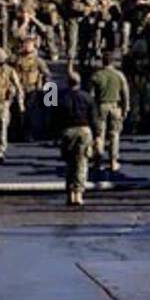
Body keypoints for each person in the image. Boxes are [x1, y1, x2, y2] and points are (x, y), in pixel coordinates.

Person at [56, 72, 96, 206]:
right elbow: (93, 118)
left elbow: (54, 116)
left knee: (69, 163)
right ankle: (78, 193)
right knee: (81, 162)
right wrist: (97, 136)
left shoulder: (61, 97)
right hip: (84, 130)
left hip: (67, 130)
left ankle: (69, 193)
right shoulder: (87, 97)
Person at [91, 52, 132, 172]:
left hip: (101, 106)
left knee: (99, 135)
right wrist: (126, 108)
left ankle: (98, 161)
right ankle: (113, 161)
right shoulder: (119, 76)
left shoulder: (97, 76)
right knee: (114, 135)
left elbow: (91, 95)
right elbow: (125, 93)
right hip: (115, 106)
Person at [11, 38, 50, 142]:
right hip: (20, 87)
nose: (27, 46)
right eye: (25, 44)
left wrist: (45, 89)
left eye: (29, 44)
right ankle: (17, 132)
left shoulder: (38, 60)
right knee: (18, 111)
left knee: (29, 112)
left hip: (32, 88)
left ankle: (28, 133)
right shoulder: (17, 59)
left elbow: (46, 73)